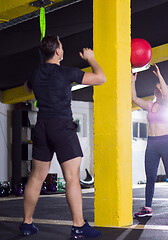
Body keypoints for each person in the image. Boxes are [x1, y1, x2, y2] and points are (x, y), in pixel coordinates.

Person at [21, 35, 106, 239]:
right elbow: (100, 78)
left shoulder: (36, 73)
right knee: (72, 178)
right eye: (61, 46)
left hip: (42, 126)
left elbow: (27, 87)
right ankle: (78, 226)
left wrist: (42, 78)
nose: (62, 48)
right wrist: (91, 58)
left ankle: (26, 223)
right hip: (62, 127)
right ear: (58, 52)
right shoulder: (67, 72)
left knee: (35, 177)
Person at [131, 64, 168, 220]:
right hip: (151, 144)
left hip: (165, 143)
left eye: (159, 87)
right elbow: (134, 98)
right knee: (150, 177)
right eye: (156, 87)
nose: (157, 89)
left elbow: (167, 94)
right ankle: (148, 207)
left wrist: (160, 76)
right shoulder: (150, 105)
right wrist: (132, 82)